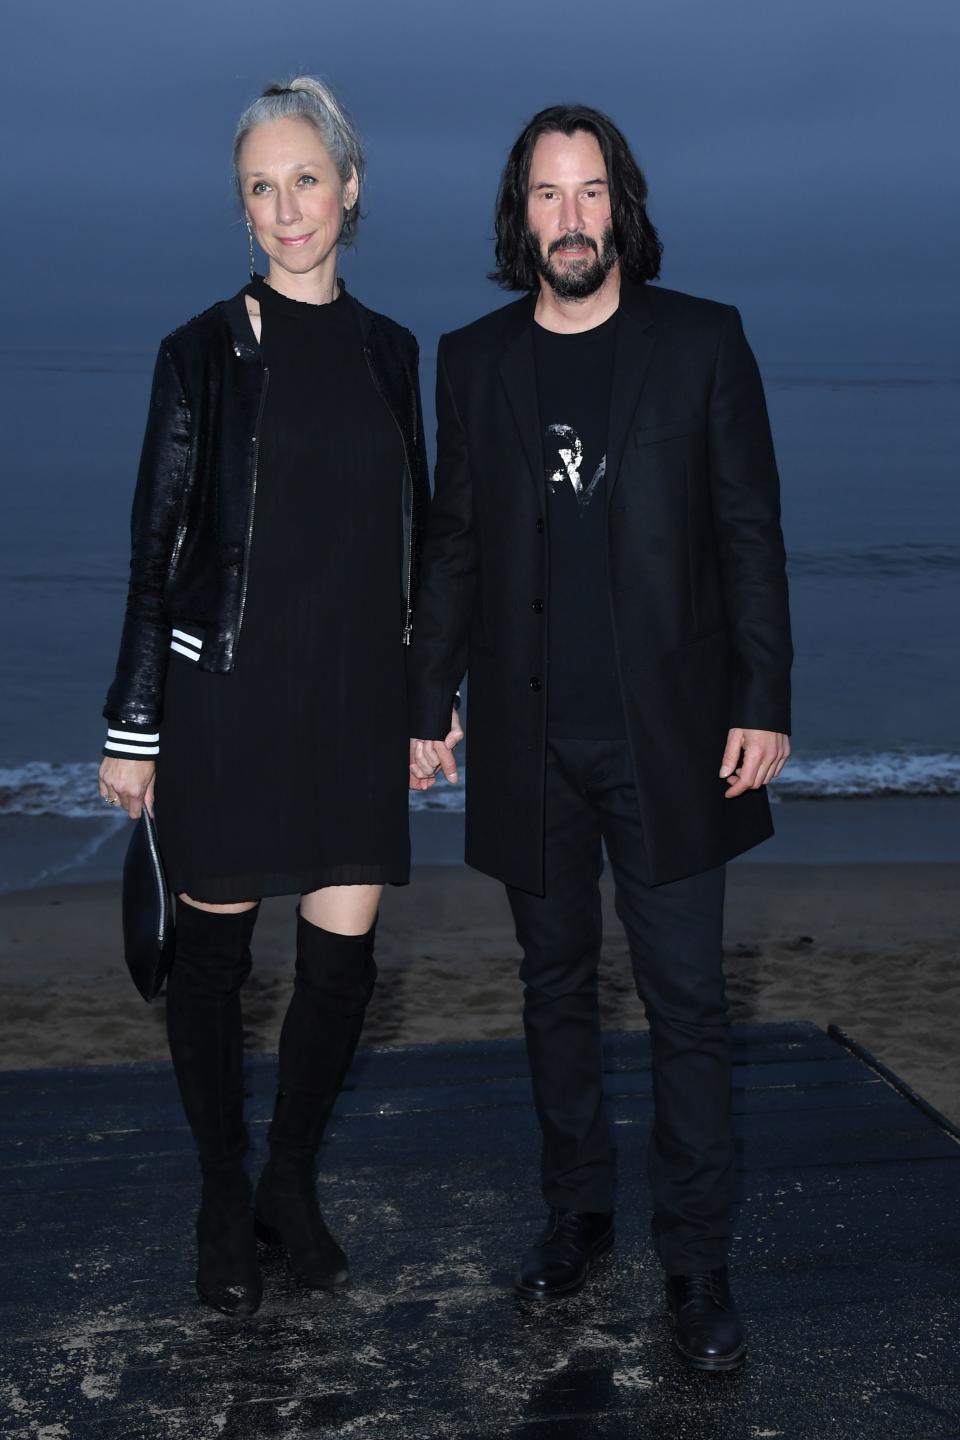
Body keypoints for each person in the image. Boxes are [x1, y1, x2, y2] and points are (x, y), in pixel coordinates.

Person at [408, 105, 792, 1371]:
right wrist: (429, 701)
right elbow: (452, 544)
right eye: (545, 197)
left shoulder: (703, 343)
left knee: (688, 1005)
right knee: (551, 990)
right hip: (530, 743)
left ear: (621, 204)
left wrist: (765, 696)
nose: (569, 220)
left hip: (675, 738)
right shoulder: (471, 361)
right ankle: (574, 1216)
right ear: (519, 216)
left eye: (589, 195)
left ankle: (697, 1265)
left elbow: (748, 531)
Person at [98, 77, 440, 1317]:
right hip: (229, 701)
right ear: (241, 209)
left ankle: (288, 1184)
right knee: (216, 967)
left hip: (354, 703)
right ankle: (218, 1194)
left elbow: (418, 542)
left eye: (306, 179)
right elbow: (156, 550)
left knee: (341, 969)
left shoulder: (395, 354)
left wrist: (425, 701)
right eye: (260, 186)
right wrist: (133, 728)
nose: (286, 208)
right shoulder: (197, 355)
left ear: (350, 187)